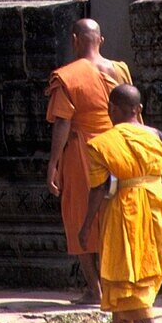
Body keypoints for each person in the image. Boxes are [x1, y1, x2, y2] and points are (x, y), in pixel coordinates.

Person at [79, 84, 162, 323]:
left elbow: (99, 188)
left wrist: (86, 225)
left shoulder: (101, 144)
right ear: (140, 109)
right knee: (137, 279)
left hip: (127, 213)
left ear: (111, 109)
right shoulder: (158, 136)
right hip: (160, 211)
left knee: (134, 281)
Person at [45, 18, 131, 303]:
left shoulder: (67, 75)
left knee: (79, 216)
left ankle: (95, 289)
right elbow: (133, 115)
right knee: (112, 216)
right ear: (101, 41)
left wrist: (53, 164)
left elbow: (62, 123)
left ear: (73, 40)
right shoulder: (120, 70)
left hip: (84, 152)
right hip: (119, 149)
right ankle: (116, 284)